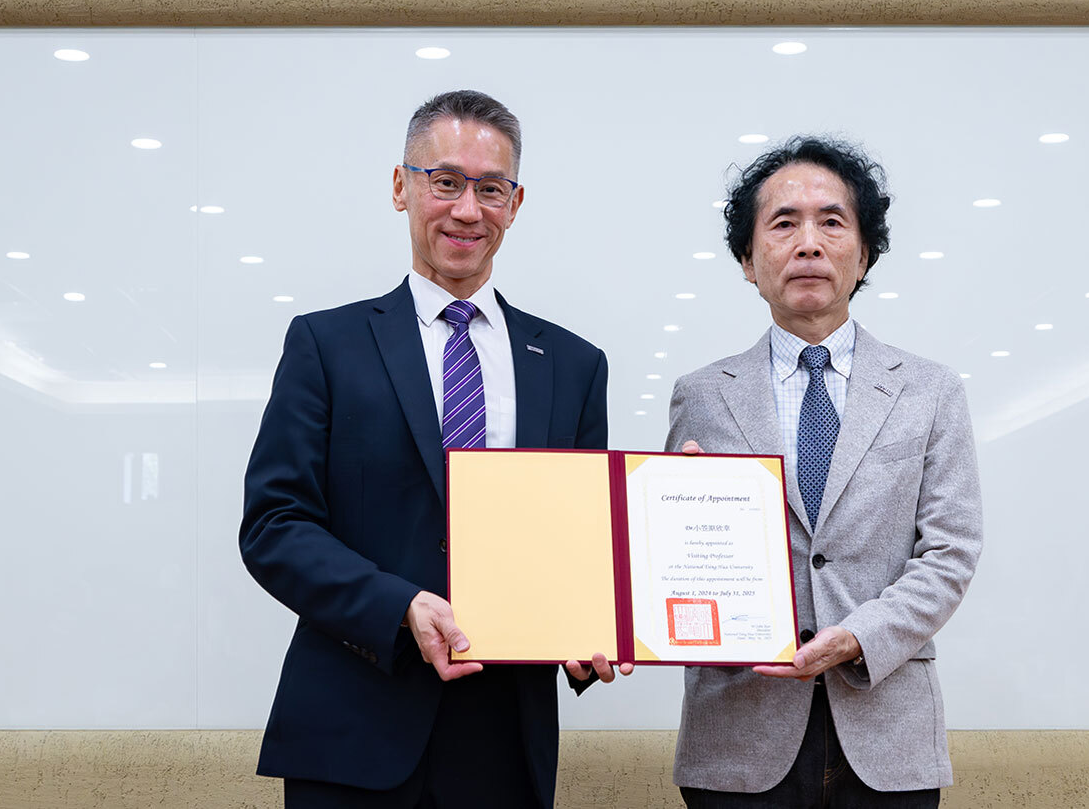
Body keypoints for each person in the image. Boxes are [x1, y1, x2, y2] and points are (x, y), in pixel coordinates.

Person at [241, 90, 624, 809]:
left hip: (506, 744)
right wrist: (399, 606)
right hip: (353, 731)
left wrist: (596, 618)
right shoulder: (326, 345)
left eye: (490, 188)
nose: (467, 209)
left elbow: (580, 542)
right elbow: (274, 526)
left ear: (515, 203)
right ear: (401, 186)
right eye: (444, 181)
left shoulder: (573, 365)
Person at [667, 136, 983, 807]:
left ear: (864, 253)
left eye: (832, 222)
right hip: (738, 740)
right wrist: (671, 520)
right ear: (748, 260)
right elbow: (675, 561)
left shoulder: (929, 390)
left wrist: (860, 635)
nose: (808, 242)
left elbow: (950, 552)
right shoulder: (701, 393)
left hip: (887, 734)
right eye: (783, 223)